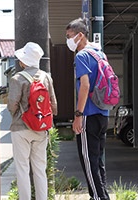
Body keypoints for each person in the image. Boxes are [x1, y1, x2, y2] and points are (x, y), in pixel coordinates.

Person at [66, 18, 110, 200]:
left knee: (88, 162)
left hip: (88, 115)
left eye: (69, 36)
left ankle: (99, 198)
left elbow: (84, 86)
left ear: (80, 35)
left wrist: (78, 114)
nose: (68, 40)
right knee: (98, 160)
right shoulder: (100, 54)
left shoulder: (82, 55)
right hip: (103, 114)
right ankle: (101, 195)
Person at [7, 42, 57, 200]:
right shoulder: (46, 77)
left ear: (24, 61)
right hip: (41, 128)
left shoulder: (17, 79)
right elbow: (53, 105)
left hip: (21, 128)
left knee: (22, 169)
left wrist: (17, 114)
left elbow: (12, 105)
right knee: (40, 169)